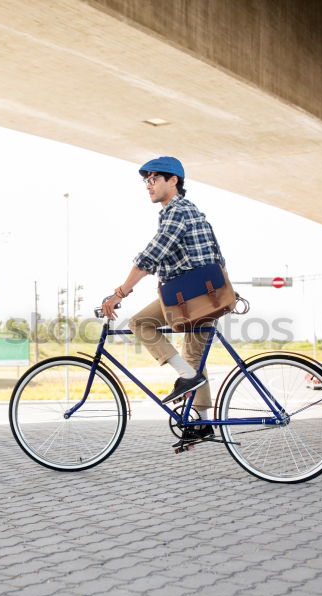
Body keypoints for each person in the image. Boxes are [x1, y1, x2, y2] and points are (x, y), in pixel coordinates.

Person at [101, 156, 225, 447]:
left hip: (194, 295)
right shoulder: (187, 211)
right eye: (147, 180)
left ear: (174, 181)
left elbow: (150, 256)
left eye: (155, 179)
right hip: (207, 293)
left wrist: (120, 292)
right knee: (193, 361)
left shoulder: (177, 211)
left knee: (139, 323)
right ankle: (201, 424)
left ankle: (187, 380)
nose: (149, 185)